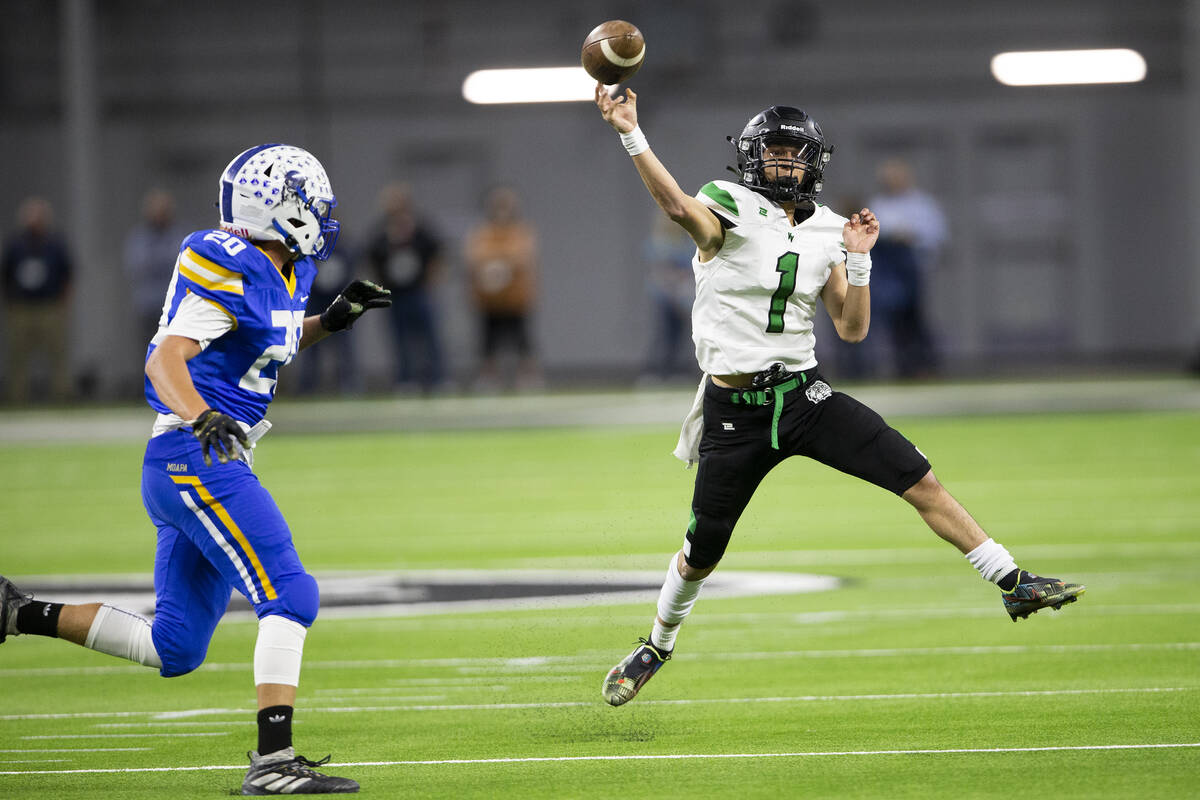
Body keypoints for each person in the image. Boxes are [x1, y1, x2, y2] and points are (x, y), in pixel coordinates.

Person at [592, 84, 1085, 707]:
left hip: (804, 396)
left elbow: (852, 327)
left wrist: (858, 262)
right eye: (774, 152)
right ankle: (657, 645)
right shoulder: (727, 204)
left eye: (796, 154)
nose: (785, 163)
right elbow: (675, 208)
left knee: (918, 478)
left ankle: (1012, 580)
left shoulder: (828, 228)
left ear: (815, 161)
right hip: (734, 411)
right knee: (701, 551)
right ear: (750, 157)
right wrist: (630, 132)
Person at [1, 144, 391, 794]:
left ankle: (15, 613)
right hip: (196, 455)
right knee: (291, 593)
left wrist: (331, 321)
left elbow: (268, 344)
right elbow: (165, 360)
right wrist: (200, 415)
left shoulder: (281, 270)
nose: (321, 213)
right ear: (275, 209)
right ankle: (273, 762)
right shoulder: (229, 262)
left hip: (189, 461)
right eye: (308, 202)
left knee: (175, 647)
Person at [864, 158, 948, 378]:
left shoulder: (922, 204)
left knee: (916, 319)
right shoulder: (879, 204)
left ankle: (926, 365)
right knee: (893, 320)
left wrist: (910, 238)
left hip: (913, 269)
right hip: (887, 271)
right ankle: (903, 367)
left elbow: (936, 235)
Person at [364, 183, 446, 392]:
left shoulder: (420, 229)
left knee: (429, 337)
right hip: (394, 294)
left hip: (418, 292)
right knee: (398, 338)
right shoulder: (381, 233)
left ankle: (437, 378)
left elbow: (437, 253)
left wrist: (431, 281)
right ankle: (405, 379)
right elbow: (370, 258)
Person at [464, 185, 540, 390]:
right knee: (488, 344)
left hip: (516, 299)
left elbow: (522, 257)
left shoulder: (520, 232)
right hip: (489, 301)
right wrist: (492, 266)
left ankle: (528, 378)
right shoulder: (483, 233)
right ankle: (489, 379)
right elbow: (475, 257)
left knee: (523, 342)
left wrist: (500, 265)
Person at [1, 196, 74, 404]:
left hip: (49, 306)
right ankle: (17, 397)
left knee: (57, 353)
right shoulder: (15, 244)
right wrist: (10, 302)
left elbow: (67, 273)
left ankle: (61, 395)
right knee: (18, 355)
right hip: (22, 307)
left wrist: (63, 302)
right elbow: (5, 274)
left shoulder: (55, 243)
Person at [124, 188, 189, 340]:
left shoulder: (179, 234)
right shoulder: (139, 237)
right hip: (148, 306)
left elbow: (183, 264)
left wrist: (157, 261)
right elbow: (137, 265)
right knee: (148, 350)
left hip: (174, 307)